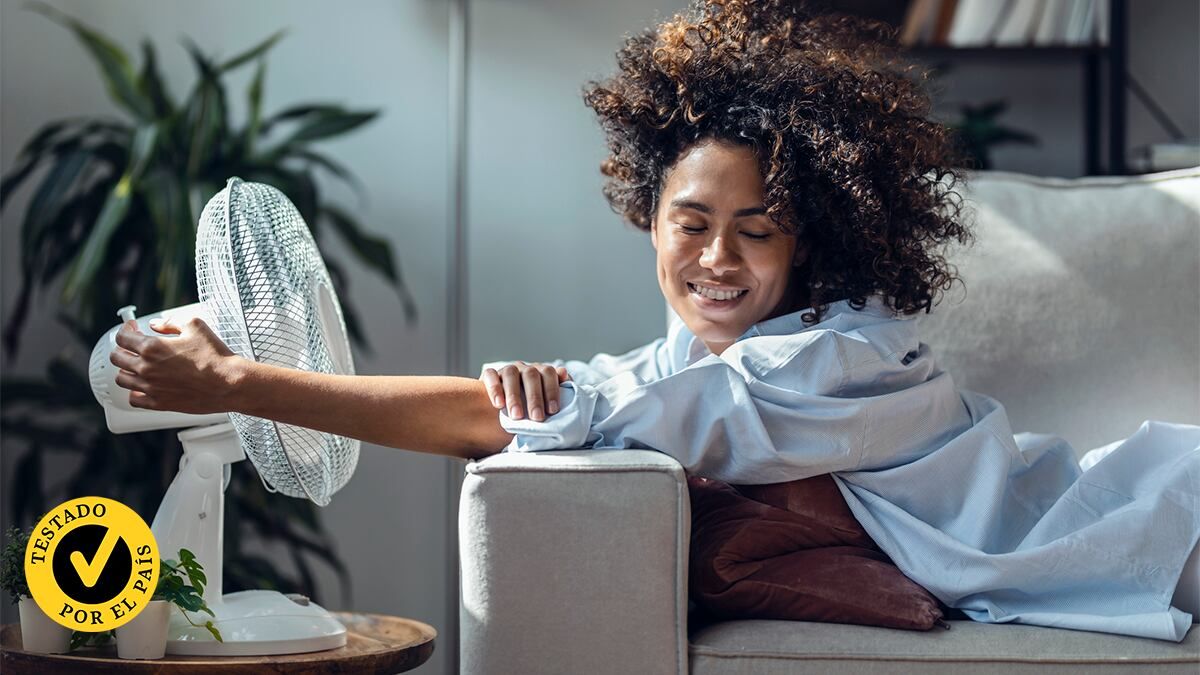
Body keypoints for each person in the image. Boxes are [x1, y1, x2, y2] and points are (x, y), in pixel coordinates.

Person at [111, 0, 1197, 642]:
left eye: (757, 231)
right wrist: (550, 395)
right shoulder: (702, 355)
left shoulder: (835, 359)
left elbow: (501, 418)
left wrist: (237, 382)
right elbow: (572, 401)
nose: (717, 258)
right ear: (647, 214)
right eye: (692, 222)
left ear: (810, 240)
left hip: (1158, 527)